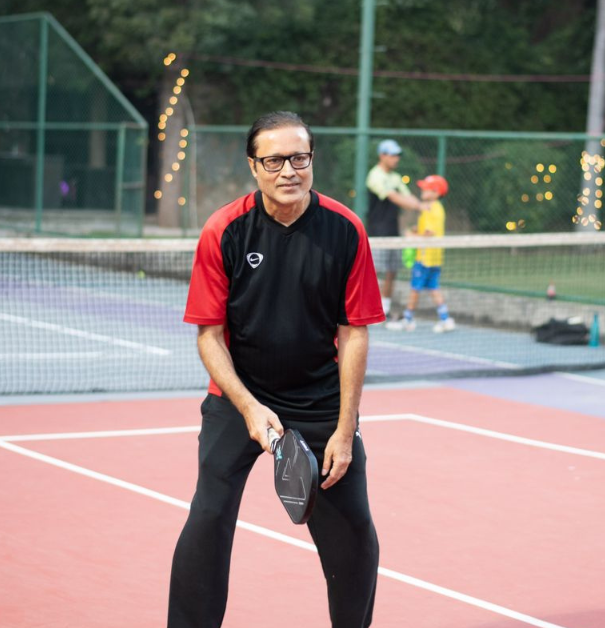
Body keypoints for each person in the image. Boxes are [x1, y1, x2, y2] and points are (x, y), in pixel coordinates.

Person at [169, 111, 383, 628]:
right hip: (238, 394)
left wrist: (345, 428)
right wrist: (247, 406)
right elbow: (209, 336)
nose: (288, 170)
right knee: (209, 517)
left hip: (319, 400)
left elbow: (355, 331)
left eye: (299, 158)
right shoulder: (225, 230)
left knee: (354, 532)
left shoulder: (346, 231)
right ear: (254, 165)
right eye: (274, 160)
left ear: (312, 161)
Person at [365, 139, 425, 319]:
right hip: (377, 232)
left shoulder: (396, 177)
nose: (396, 159)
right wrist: (419, 207)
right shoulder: (375, 175)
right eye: (392, 155)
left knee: (392, 271)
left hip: (393, 231)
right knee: (374, 273)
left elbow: (408, 197)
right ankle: (366, 308)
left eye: (397, 155)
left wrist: (423, 205)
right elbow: (393, 197)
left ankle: (384, 309)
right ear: (382, 156)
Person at [386, 175, 454, 333]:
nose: (422, 189)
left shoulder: (431, 208)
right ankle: (446, 319)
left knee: (414, 289)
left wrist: (411, 236)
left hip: (425, 257)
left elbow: (429, 233)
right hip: (435, 258)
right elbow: (429, 230)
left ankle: (408, 320)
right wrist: (416, 230)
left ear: (436, 192)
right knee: (433, 287)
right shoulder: (435, 207)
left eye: (426, 187)